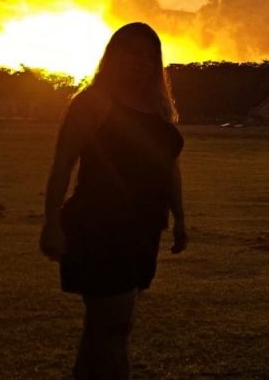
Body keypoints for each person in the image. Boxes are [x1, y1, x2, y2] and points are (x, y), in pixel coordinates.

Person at [40, 22, 187, 380]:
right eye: (132, 53)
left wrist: (180, 218)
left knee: (102, 330)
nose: (140, 63)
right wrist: (52, 222)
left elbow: (169, 168)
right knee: (114, 328)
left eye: (149, 57)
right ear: (113, 56)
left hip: (143, 229)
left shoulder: (157, 110)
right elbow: (63, 163)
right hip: (99, 226)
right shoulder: (93, 103)